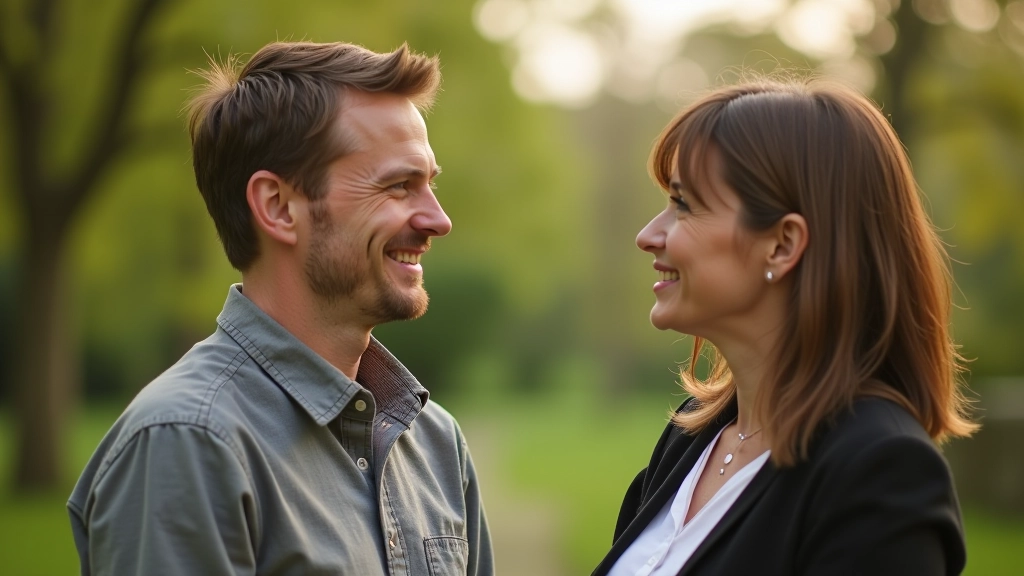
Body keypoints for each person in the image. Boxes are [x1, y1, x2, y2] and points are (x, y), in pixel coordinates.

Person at [68, 41, 493, 576]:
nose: (438, 219)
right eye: (397, 186)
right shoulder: (186, 444)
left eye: (429, 183)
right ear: (277, 207)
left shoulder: (435, 442)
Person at [592, 78, 977, 576]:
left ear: (782, 245)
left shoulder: (880, 472)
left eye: (684, 205)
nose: (648, 235)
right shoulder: (691, 437)